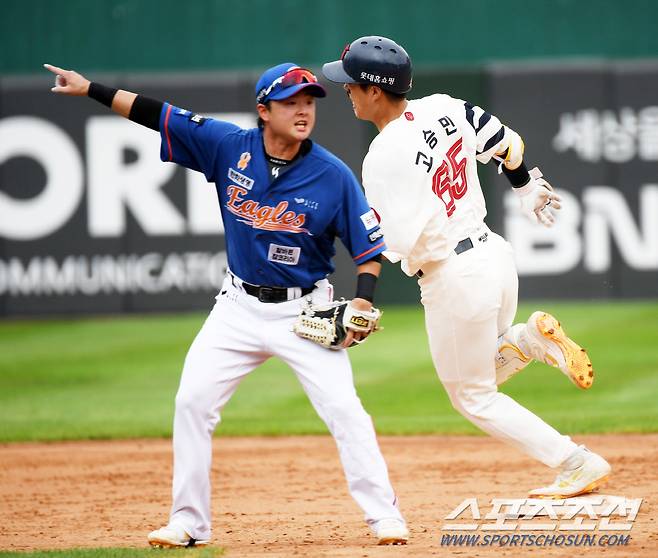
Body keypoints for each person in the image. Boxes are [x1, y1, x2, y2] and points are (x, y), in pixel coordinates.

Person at [44, 62, 409, 546]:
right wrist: (90, 89)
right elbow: (158, 115)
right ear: (264, 110)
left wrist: (362, 302)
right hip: (237, 307)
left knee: (344, 409)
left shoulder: (331, 175)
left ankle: (384, 516)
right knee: (192, 402)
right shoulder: (227, 146)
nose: (303, 111)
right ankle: (189, 523)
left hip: (303, 312)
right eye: (291, 102)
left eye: (309, 101)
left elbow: (368, 250)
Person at [321, 37, 611, 499]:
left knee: (473, 397)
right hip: (494, 256)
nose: (346, 92)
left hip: (454, 278)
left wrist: (362, 297)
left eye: (351, 84)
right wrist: (523, 183)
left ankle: (576, 462)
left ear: (374, 90)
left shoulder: (382, 156)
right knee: (483, 372)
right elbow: (507, 142)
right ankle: (524, 340)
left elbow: (387, 241)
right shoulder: (444, 106)